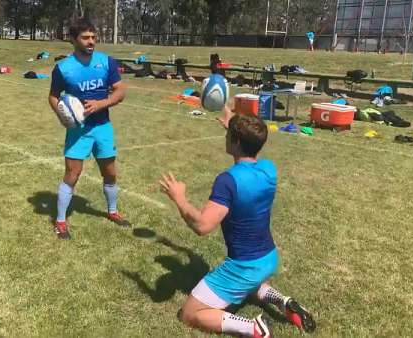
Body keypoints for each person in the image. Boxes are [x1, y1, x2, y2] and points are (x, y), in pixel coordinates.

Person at [159, 112, 316, 337]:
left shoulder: (227, 181)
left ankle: (253, 328)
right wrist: (234, 128)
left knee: (189, 314)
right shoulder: (269, 169)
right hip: (269, 258)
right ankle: (283, 300)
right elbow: (248, 152)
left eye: (229, 136)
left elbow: (203, 226)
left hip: (245, 267)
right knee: (250, 289)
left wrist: (179, 197)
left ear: (236, 141)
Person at [47, 18, 130, 240]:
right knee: (72, 174)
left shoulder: (106, 62)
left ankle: (112, 212)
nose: (91, 41)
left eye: (93, 37)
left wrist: (101, 104)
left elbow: (120, 91)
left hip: (103, 126)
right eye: (85, 37)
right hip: (78, 131)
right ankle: (61, 221)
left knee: (110, 172)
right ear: (74, 40)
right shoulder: (63, 68)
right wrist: (62, 116)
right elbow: (53, 97)